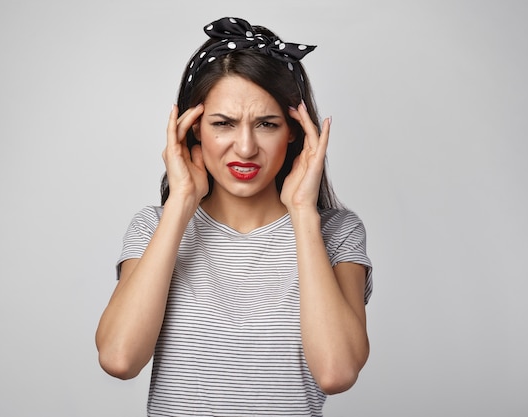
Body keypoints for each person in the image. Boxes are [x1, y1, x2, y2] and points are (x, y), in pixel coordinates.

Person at [96, 16, 373, 416]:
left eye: (266, 124)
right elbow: (119, 359)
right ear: (193, 129)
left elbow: (336, 372)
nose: (245, 148)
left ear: (296, 130)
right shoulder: (154, 227)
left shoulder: (337, 233)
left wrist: (302, 214)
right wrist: (180, 204)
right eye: (223, 124)